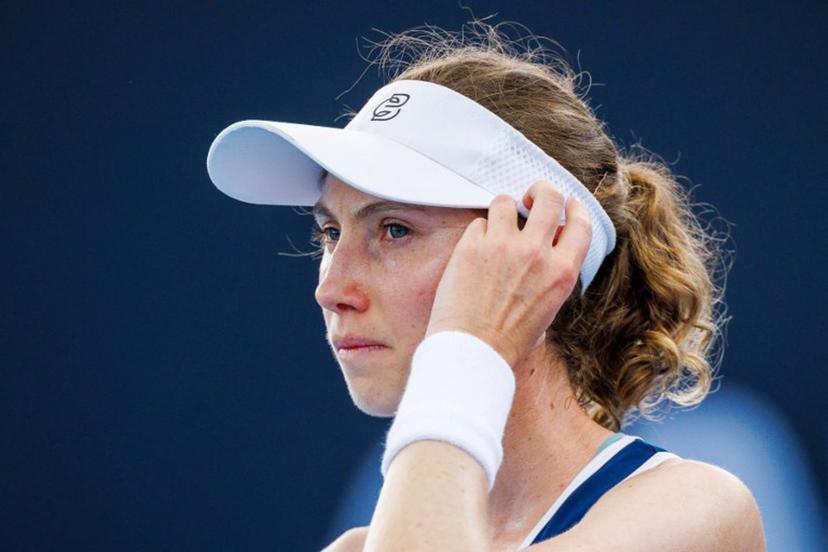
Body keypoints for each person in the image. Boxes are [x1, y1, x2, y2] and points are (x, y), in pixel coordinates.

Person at [206, 21, 765, 551]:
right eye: (330, 231)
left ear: (541, 250)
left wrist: (467, 345)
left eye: (394, 229)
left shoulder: (695, 512)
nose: (331, 288)